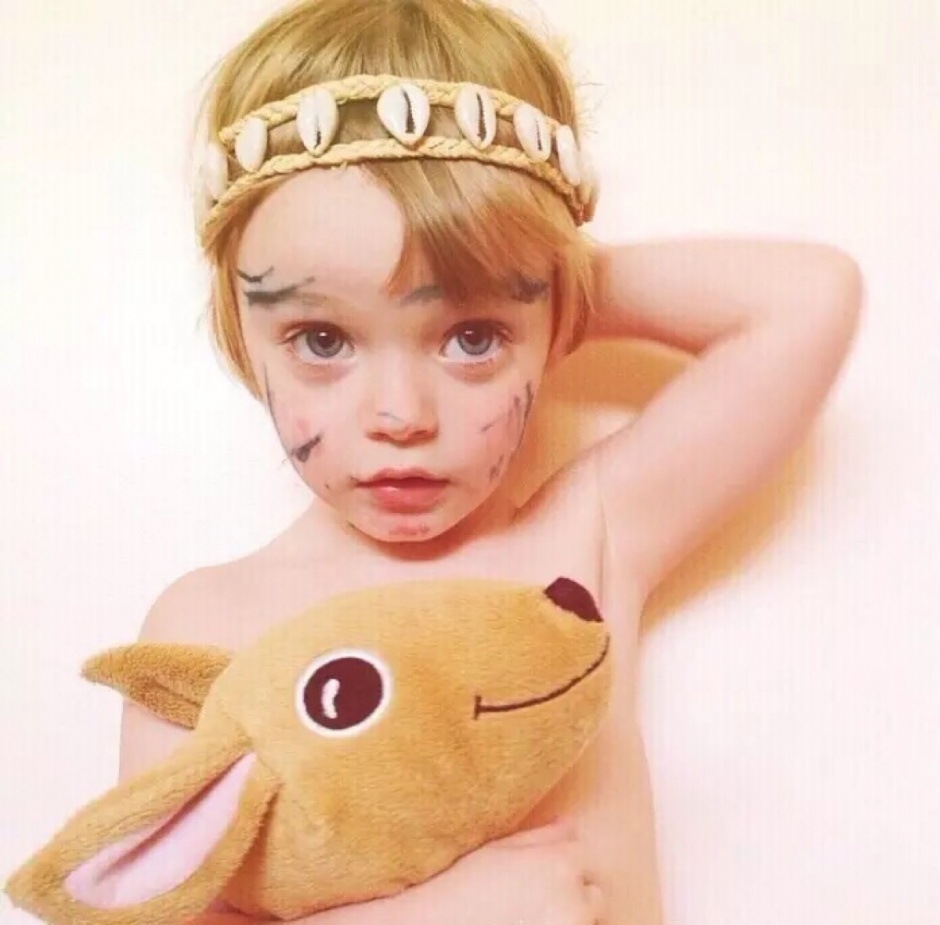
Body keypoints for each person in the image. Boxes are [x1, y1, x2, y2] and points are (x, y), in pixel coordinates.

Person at [118, 1, 864, 923]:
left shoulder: (588, 536)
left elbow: (808, 298)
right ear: (243, 331)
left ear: (551, 325)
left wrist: (543, 269)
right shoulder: (204, 622)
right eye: (322, 338)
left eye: (473, 336)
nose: (401, 415)